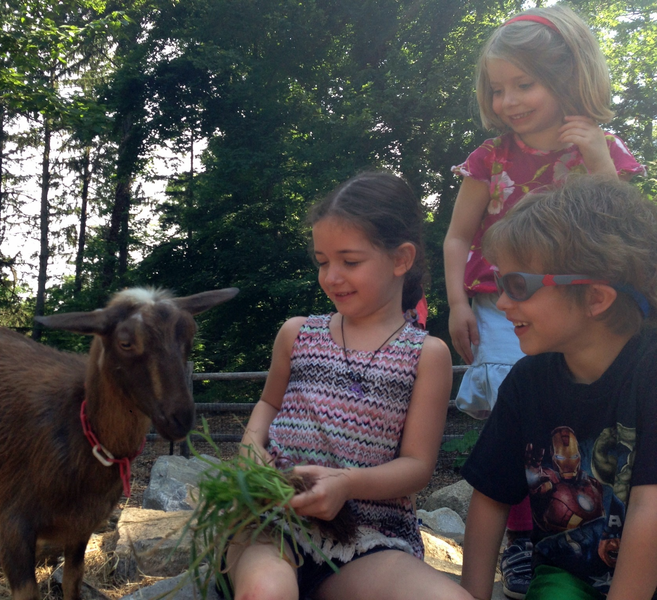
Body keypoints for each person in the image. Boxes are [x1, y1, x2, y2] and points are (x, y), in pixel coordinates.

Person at [442, 6, 645, 597]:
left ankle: (608, 525)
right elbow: (458, 234)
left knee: (600, 411)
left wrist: (600, 159)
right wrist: (456, 302)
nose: (508, 100)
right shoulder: (491, 156)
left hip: (587, 307)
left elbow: (624, 233)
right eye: (497, 88)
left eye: (523, 84)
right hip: (507, 299)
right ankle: (526, 543)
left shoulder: (599, 148)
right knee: (523, 399)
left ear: (567, 78)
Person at [223, 172, 473, 600]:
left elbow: (416, 466)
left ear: (401, 259)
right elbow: (268, 403)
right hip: (273, 521)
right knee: (267, 592)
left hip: (367, 537)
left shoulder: (427, 354)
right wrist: (250, 448)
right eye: (323, 261)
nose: (331, 276)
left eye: (349, 261)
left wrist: (346, 484)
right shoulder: (297, 333)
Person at [459, 175, 657, 600]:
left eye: (518, 286)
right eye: (500, 283)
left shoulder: (650, 371)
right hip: (569, 576)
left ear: (596, 298)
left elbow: (649, 510)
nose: (503, 303)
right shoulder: (527, 381)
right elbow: (491, 495)